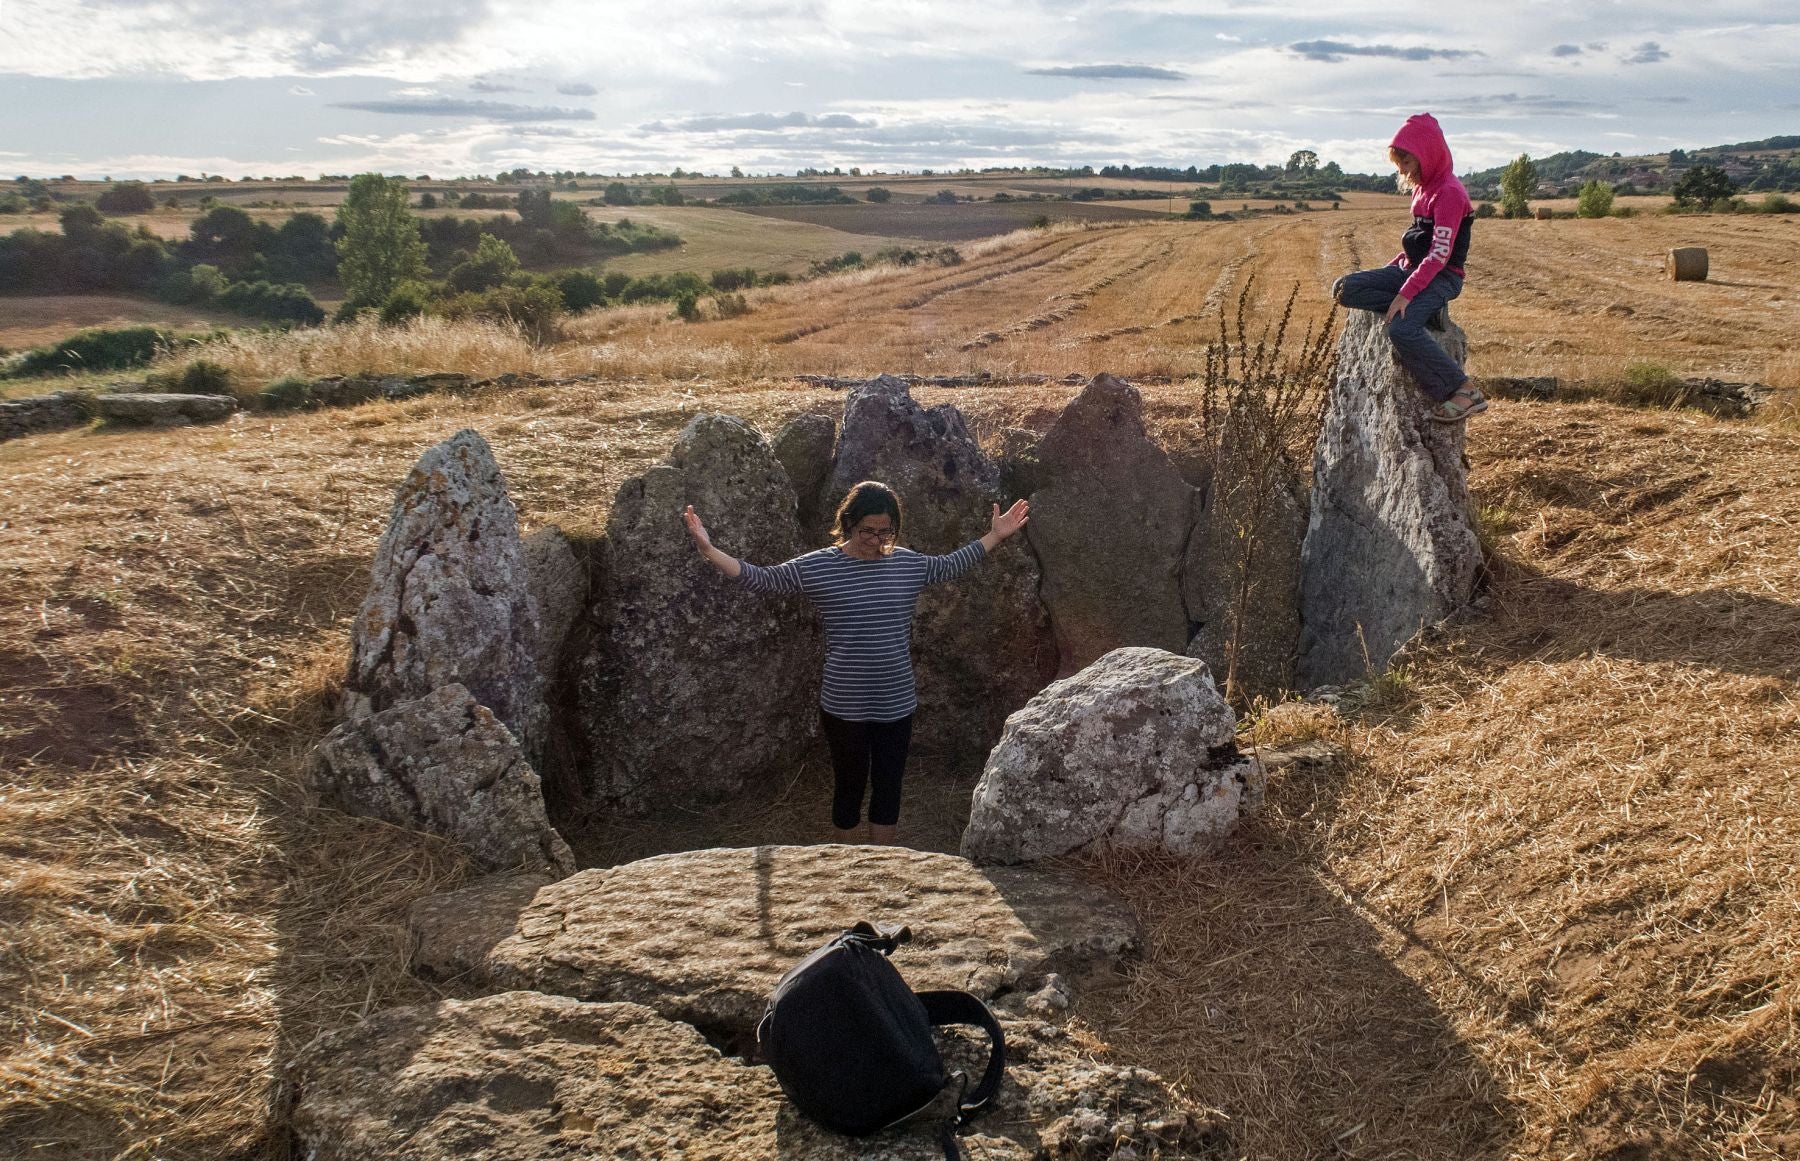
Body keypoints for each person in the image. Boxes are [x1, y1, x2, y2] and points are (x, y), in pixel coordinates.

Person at [683, 481, 1029, 845]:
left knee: (888, 786)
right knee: (849, 786)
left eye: (885, 531)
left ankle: (881, 865)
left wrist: (995, 535)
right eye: (868, 530)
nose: (876, 539)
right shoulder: (819, 566)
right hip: (844, 704)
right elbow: (763, 578)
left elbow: (951, 564)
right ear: (848, 523)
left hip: (896, 702)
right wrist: (709, 550)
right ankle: (843, 873)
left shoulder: (907, 563)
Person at [1332, 112, 1486, 423]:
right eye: (1399, 163)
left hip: (1442, 277)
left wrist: (1404, 294)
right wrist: (1395, 270)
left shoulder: (1450, 194)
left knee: (1401, 328)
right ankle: (1426, 310)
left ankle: (1464, 390)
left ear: (1427, 156)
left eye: (1407, 162)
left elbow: (1439, 255)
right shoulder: (1422, 188)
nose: (1402, 170)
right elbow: (1418, 241)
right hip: (1412, 269)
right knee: (1344, 288)